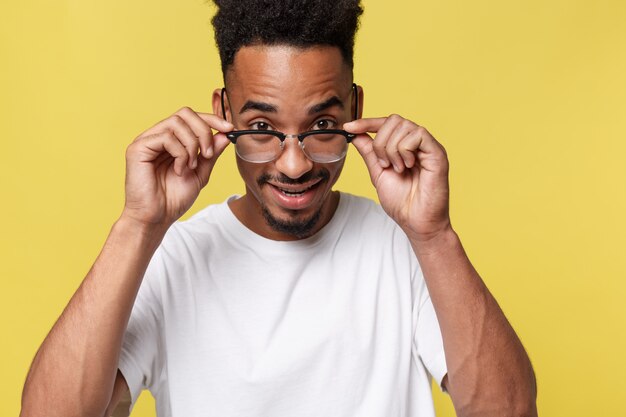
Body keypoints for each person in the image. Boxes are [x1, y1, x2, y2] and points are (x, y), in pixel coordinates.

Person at [20, 1, 537, 416]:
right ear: (223, 114)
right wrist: (137, 225)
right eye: (263, 130)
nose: (294, 164)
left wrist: (434, 236)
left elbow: (509, 411)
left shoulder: (407, 248)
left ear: (354, 110)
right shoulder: (173, 257)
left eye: (321, 126)